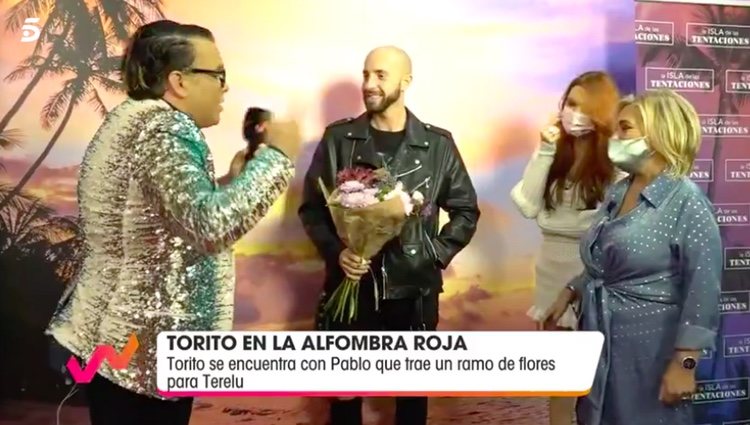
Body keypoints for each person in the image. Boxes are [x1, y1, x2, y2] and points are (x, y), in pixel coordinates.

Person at [45, 20, 301, 425]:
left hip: (118, 346)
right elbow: (208, 226)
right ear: (179, 81)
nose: (225, 87)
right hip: (142, 353)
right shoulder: (164, 128)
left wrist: (232, 182)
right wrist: (277, 159)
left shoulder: (135, 120)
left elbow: (158, 218)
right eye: (217, 75)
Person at [298, 45, 480, 425]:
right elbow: (313, 209)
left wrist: (432, 255)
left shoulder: (437, 145)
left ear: (406, 81)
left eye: (380, 75)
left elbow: (465, 211)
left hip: (413, 293)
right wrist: (337, 253)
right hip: (351, 290)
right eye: (366, 75)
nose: (369, 84)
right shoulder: (338, 139)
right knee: (344, 398)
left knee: (411, 402)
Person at [543, 89, 722, 425]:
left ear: (658, 134)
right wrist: (571, 290)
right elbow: (606, 265)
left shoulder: (686, 202)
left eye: (624, 129)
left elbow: (703, 291)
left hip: (650, 358)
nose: (614, 138)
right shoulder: (618, 191)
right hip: (600, 347)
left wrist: (685, 364)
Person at [510, 71, 623, 425]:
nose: (573, 113)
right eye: (569, 104)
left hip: (593, 273)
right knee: (559, 382)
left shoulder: (616, 160)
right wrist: (544, 148)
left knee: (599, 380)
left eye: (583, 107)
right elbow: (528, 205)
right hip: (549, 273)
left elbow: (615, 226)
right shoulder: (553, 152)